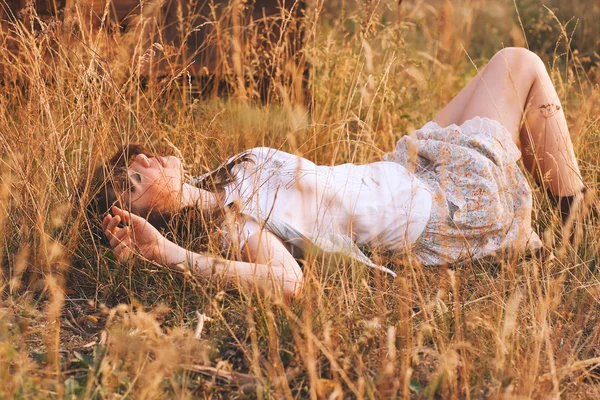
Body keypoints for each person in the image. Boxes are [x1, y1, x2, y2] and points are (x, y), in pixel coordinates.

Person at [88, 47, 586, 301]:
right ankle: (578, 224)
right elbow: (287, 283)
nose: (148, 162)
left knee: (511, 87)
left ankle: (538, 231)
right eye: (136, 182)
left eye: (140, 159)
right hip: (445, 202)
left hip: (408, 167)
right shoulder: (232, 224)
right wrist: (165, 253)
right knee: (519, 64)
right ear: (149, 217)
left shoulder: (229, 180)